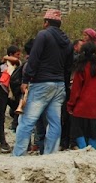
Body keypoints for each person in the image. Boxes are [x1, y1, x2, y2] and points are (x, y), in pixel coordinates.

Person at [13, 9, 74, 156]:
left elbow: (34, 59)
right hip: (59, 85)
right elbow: (68, 67)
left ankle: (18, 154)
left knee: (27, 120)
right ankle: (50, 154)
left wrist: (25, 80)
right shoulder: (68, 42)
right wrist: (65, 86)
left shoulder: (43, 35)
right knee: (54, 122)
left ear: (46, 23)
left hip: (41, 83)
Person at [67, 41, 96, 149]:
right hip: (94, 107)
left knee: (78, 130)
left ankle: (83, 148)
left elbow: (76, 90)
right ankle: (92, 149)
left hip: (80, 107)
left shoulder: (80, 69)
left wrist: (71, 104)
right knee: (93, 131)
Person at [0, 45, 22, 153]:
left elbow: (16, 61)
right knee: (1, 116)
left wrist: (5, 58)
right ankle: (2, 141)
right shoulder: (2, 65)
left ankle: (22, 140)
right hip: (3, 92)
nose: (19, 57)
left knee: (19, 115)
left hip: (13, 93)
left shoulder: (18, 65)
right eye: (17, 54)